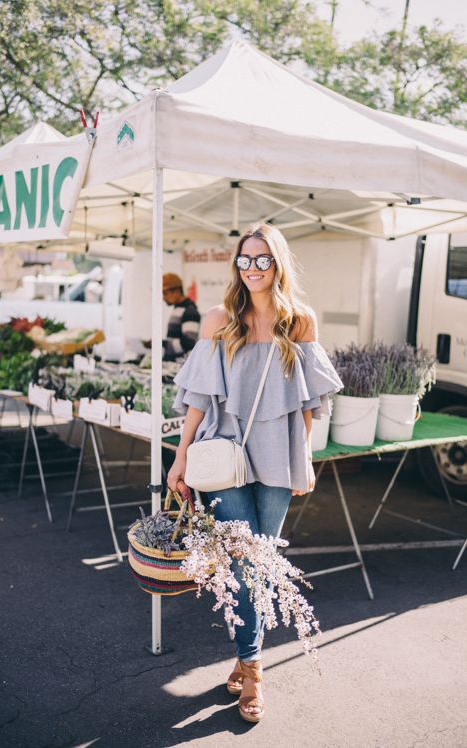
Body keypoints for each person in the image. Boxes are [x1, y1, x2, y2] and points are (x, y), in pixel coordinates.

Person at [167, 223, 343, 723]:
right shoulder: (220, 319)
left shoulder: (300, 322)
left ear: (278, 263)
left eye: (262, 259)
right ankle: (255, 670)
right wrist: (180, 457)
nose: (252, 269)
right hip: (222, 455)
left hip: (278, 455)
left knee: (259, 565)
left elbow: (311, 400)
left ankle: (244, 658)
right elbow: (199, 397)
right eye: (245, 260)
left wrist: (304, 456)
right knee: (241, 567)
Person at [162, 273, 200, 360]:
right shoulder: (178, 308)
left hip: (180, 366)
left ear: (177, 291)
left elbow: (188, 343)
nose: (163, 298)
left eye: (165, 293)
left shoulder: (190, 311)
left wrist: (162, 344)